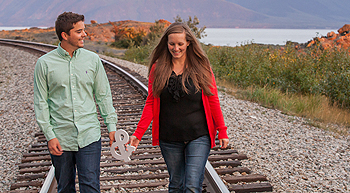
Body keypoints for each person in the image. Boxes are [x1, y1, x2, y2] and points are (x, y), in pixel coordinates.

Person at [128, 22, 229, 193]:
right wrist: (138, 134)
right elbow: (151, 102)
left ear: (188, 43)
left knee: (191, 185)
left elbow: (213, 100)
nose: (176, 48)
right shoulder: (158, 68)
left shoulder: (201, 66)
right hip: (169, 137)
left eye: (180, 44)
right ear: (166, 44)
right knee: (176, 184)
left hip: (198, 135)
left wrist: (222, 130)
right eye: (172, 44)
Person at [33, 12, 117, 193]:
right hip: (61, 137)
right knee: (65, 188)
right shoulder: (44, 64)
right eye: (79, 31)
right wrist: (50, 135)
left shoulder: (93, 60)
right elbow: (41, 103)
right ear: (65, 35)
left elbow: (103, 96)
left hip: (89, 135)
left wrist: (111, 127)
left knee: (91, 187)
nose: (84, 35)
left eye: (84, 30)